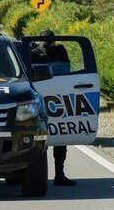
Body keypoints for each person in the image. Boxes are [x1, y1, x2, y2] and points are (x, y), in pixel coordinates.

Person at [30, 30, 75, 186]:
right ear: (54, 41)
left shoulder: (33, 52)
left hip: (45, 99)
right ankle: (58, 175)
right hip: (58, 99)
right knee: (57, 137)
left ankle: (46, 176)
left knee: (43, 138)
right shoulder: (59, 51)